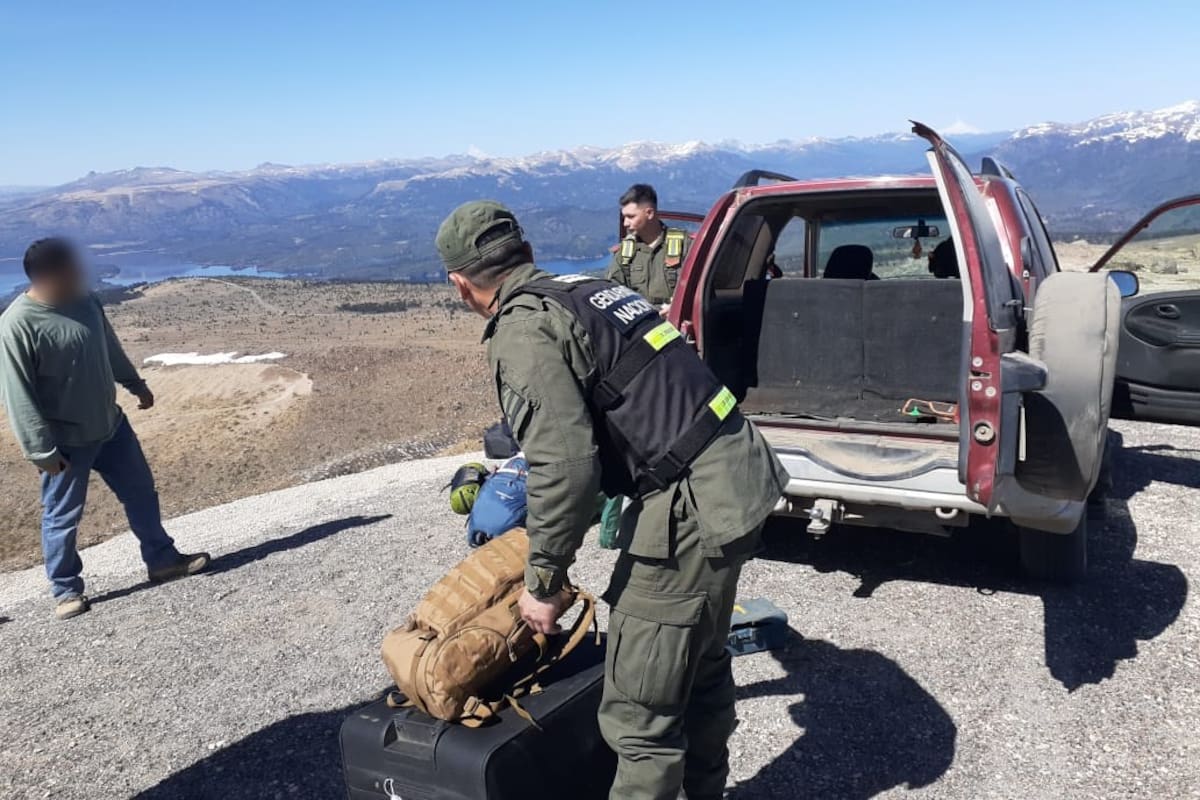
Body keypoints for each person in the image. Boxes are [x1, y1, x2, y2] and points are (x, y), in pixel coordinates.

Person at [437, 201, 787, 800]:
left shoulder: (522, 328)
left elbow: (565, 465)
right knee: (699, 661)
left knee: (638, 711)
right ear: (524, 252)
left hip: (692, 506)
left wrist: (543, 583)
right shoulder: (590, 289)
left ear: (461, 283)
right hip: (738, 472)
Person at [0, 238, 210, 620]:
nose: (82, 271)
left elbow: (109, 349)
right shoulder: (17, 324)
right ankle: (65, 591)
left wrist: (135, 384)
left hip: (112, 428)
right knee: (62, 517)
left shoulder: (86, 301)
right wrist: (40, 450)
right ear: (51, 275)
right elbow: (17, 393)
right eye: (74, 267)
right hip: (65, 443)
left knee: (142, 494)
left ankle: (163, 562)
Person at [605, 183, 691, 308]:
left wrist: (678, 307)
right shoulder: (626, 252)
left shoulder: (684, 246)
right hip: (640, 322)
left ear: (649, 213)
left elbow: (700, 289)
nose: (625, 223)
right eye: (624, 217)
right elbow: (612, 291)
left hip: (674, 321)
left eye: (631, 217)